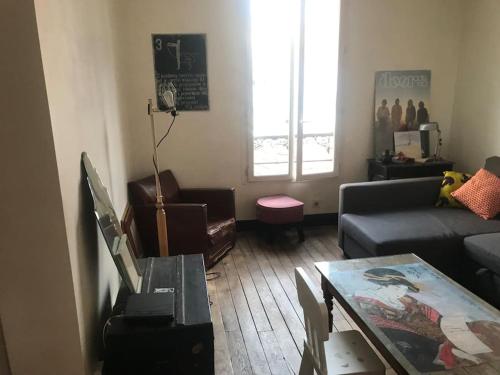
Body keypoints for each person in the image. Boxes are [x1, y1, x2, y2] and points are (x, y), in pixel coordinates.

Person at [353, 267, 500, 372]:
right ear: (381, 286)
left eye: (404, 288)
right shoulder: (368, 303)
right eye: (398, 287)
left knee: (486, 327)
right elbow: (389, 328)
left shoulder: (405, 299)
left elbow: (432, 314)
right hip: (421, 341)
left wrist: (456, 323)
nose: (403, 291)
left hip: (446, 333)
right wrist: (441, 344)